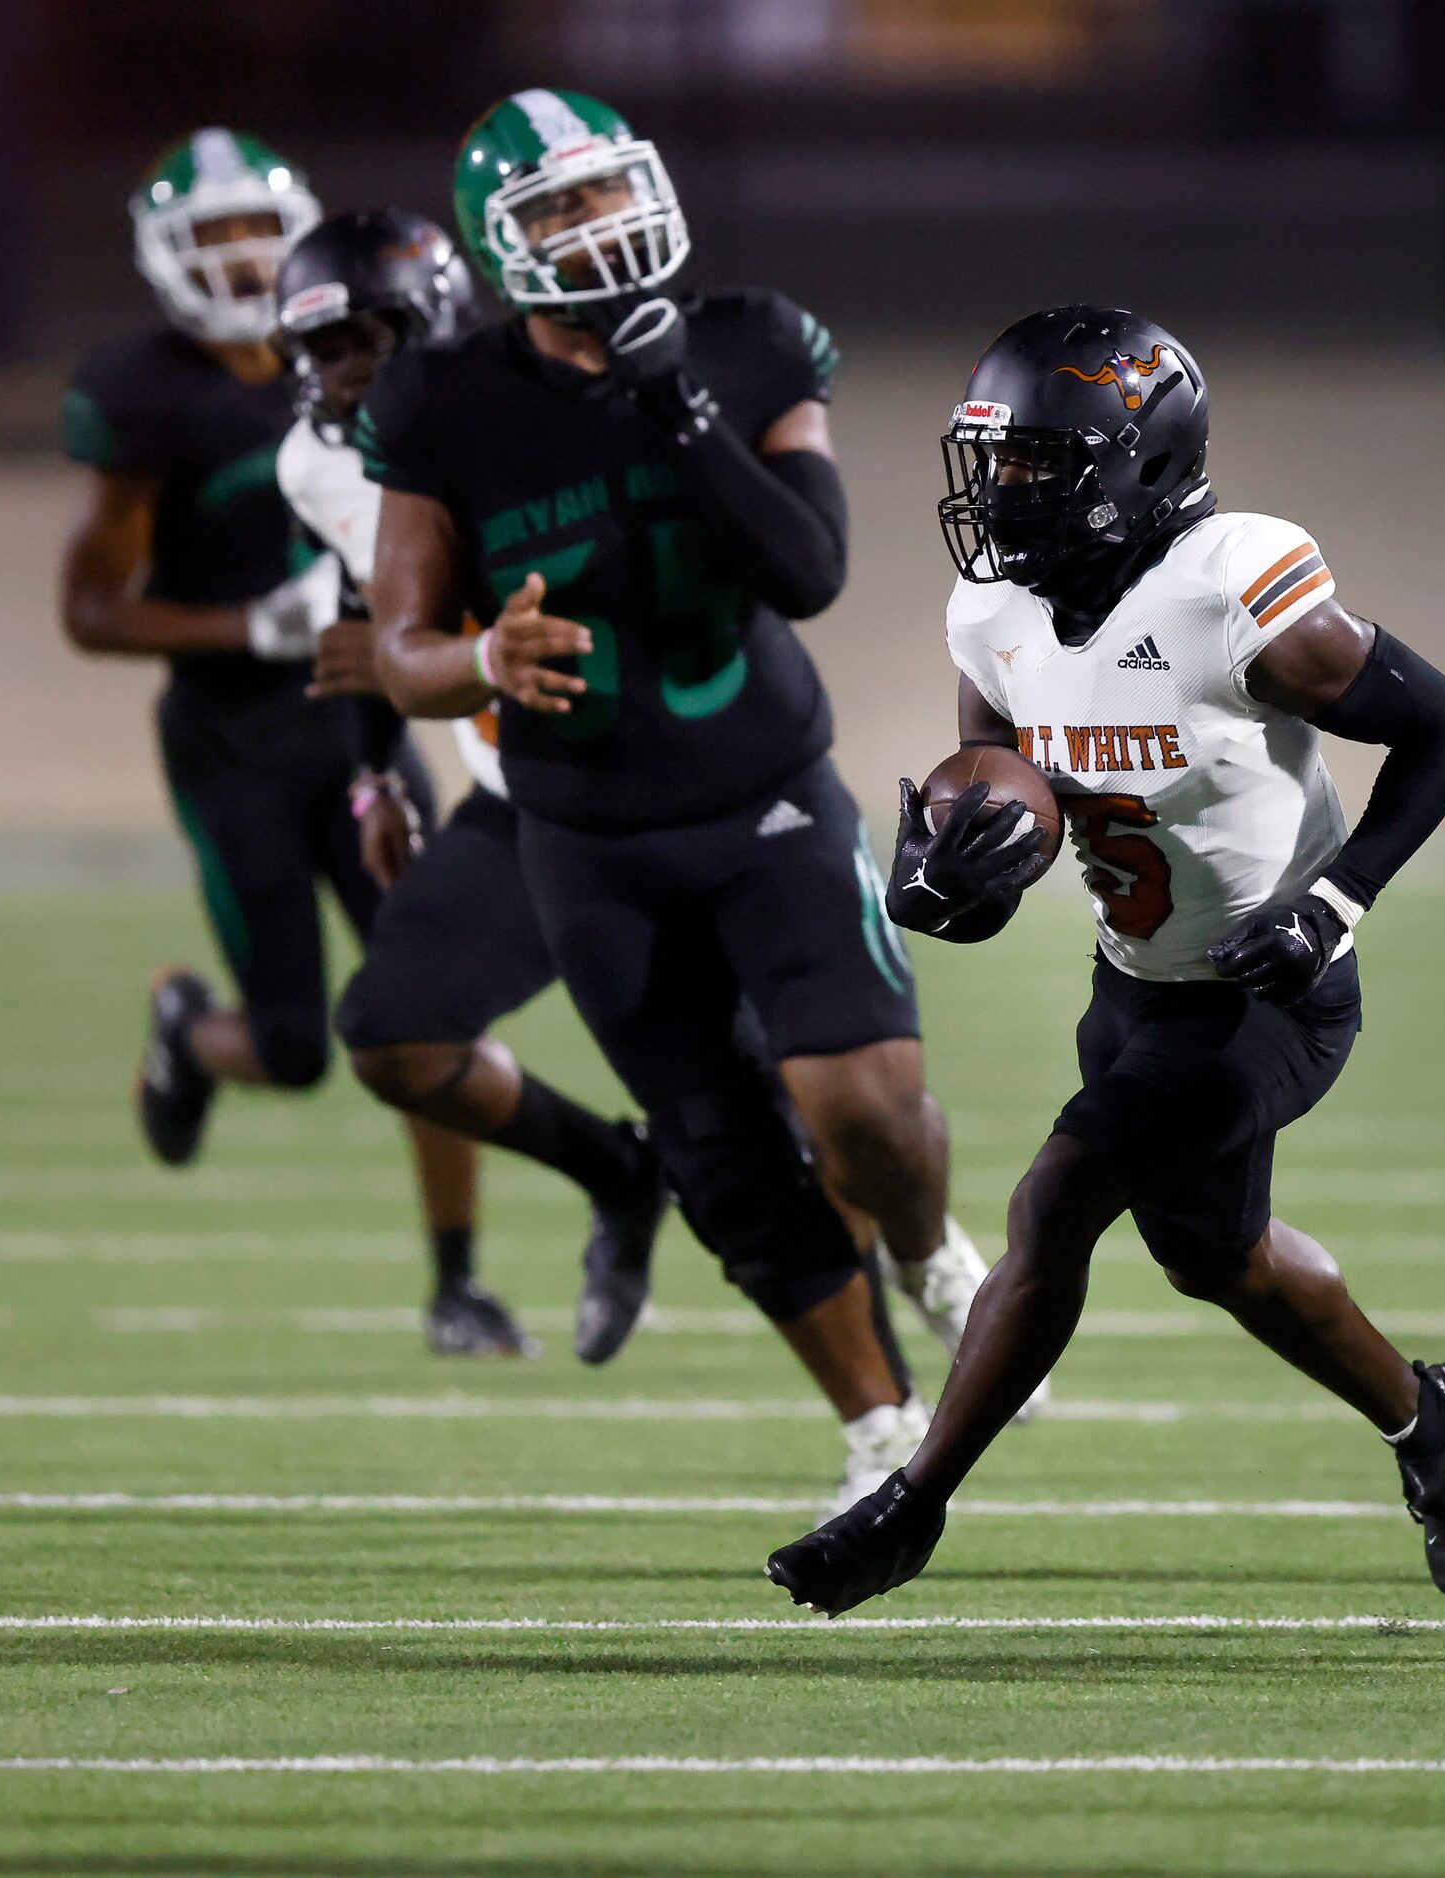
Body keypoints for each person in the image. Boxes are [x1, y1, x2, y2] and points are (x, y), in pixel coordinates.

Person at [762, 307, 1445, 1616]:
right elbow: (1006, 787)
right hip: (1134, 987)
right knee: (1221, 1259)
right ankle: (1428, 1414)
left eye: (1041, 463)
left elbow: (1443, 724)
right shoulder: (991, 607)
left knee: (1055, 1204)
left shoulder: (1230, 588)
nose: (1004, 490)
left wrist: (1338, 900)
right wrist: (959, 866)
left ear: (1141, 463)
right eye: (995, 460)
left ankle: (911, 1502)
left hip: (1270, 992)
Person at [362, 88, 999, 1505]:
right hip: (585, 836)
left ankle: (924, 1249)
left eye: (607, 192)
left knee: (867, 1105)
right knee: (715, 1148)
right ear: (501, 244)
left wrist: (677, 404)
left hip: (765, 791)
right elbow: (396, 646)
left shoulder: (750, 341)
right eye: (560, 209)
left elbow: (809, 570)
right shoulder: (442, 400)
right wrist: (475, 654)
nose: (599, 226)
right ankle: (879, 1425)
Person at [59, 129, 495, 1353]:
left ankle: (457, 1282)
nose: (243, 256)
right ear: (162, 257)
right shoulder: (143, 394)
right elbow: (90, 611)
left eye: (258, 227)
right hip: (231, 743)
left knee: (425, 1008)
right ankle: (191, 1032)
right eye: (213, 236)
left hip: (366, 724)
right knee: (298, 1047)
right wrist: (254, 623)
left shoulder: (371, 346)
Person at [273, 205, 670, 1361]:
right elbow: (365, 608)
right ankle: (617, 1171)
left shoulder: (532, 410)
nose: (342, 375)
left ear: (435, 321)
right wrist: (373, 780)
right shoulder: (314, 461)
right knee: (393, 1034)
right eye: (321, 349)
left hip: (668, 792)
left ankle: (935, 1282)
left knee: (808, 1091)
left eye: (364, 339)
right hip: (522, 792)